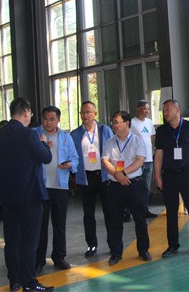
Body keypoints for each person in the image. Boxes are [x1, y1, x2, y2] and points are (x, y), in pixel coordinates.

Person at [0, 97, 54, 292]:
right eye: (30, 113)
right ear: (26, 112)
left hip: (8, 197)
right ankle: (29, 283)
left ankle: (14, 280)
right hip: (30, 197)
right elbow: (46, 157)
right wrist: (44, 143)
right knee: (29, 242)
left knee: (12, 241)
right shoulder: (30, 135)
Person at [154, 99, 189, 257]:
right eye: (164, 110)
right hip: (169, 176)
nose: (165, 113)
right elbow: (159, 155)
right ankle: (173, 246)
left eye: (168, 109)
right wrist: (157, 177)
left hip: (187, 174)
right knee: (171, 212)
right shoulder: (162, 131)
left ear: (177, 111)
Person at [102, 110, 152, 265]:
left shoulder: (137, 140)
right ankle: (116, 253)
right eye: (113, 122)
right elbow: (105, 160)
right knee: (114, 221)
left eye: (117, 122)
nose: (114, 125)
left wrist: (123, 173)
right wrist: (116, 175)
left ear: (126, 123)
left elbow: (140, 161)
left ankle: (143, 250)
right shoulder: (110, 142)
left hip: (134, 184)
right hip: (115, 186)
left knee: (140, 219)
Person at [35, 106, 79, 274]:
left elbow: (75, 158)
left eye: (52, 119)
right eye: (45, 119)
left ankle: (59, 257)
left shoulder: (66, 137)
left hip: (60, 186)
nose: (48, 122)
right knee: (40, 226)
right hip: (41, 186)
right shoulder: (34, 135)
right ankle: (39, 260)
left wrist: (70, 165)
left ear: (58, 120)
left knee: (59, 224)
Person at [70, 101, 114, 259]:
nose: (85, 115)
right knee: (88, 214)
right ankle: (92, 244)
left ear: (95, 113)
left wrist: (117, 171)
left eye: (88, 112)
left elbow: (114, 150)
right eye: (82, 112)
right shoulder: (75, 134)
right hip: (86, 178)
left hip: (103, 176)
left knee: (109, 212)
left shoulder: (104, 130)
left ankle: (113, 243)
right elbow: (72, 155)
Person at [130, 100, 158, 218]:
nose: (147, 111)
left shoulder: (149, 122)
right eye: (145, 108)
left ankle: (145, 210)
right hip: (137, 160)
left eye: (148, 109)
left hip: (149, 159)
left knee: (146, 187)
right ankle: (131, 210)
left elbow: (150, 138)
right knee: (135, 186)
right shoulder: (132, 122)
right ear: (138, 109)